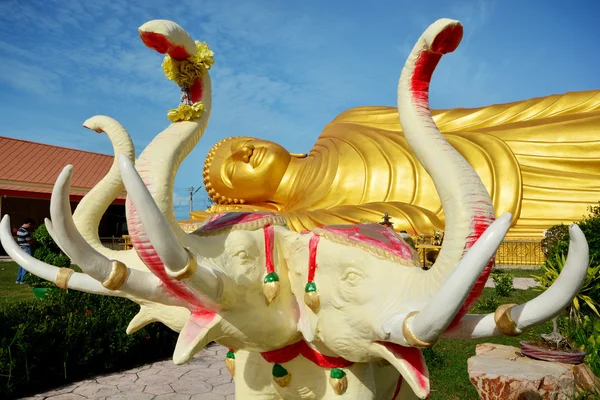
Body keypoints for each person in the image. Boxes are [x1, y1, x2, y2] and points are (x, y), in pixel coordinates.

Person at [193, 90, 600, 237]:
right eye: (234, 169)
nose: (244, 153)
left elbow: (453, 120)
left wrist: (533, 117)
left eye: (244, 143)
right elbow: (409, 222)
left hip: (506, 143)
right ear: (258, 202)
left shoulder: (346, 121)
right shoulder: (304, 220)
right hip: (498, 209)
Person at [15, 218, 35, 284]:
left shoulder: (19, 230)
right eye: (31, 225)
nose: (31, 227)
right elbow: (30, 242)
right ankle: (23, 280)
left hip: (22, 248)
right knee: (26, 264)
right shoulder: (25, 232)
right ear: (29, 224)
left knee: (21, 264)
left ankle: (18, 279)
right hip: (27, 248)